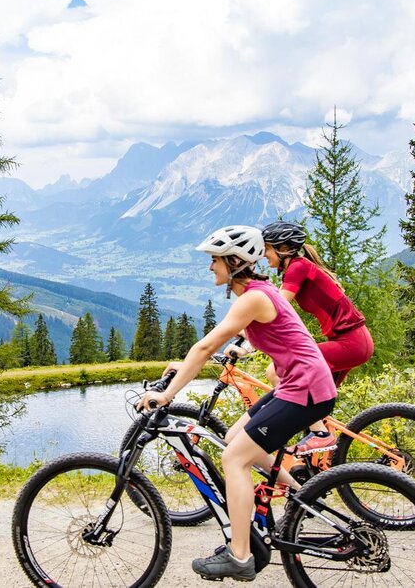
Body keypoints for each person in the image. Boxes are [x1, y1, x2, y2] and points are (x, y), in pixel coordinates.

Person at [137, 225, 336, 582]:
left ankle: (240, 556)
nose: (210, 267)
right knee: (234, 439)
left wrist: (167, 395)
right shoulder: (257, 294)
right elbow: (234, 340)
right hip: (299, 385)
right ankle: (303, 496)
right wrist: (183, 368)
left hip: (305, 390)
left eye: (214, 260)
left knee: (234, 458)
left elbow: (205, 347)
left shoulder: (254, 297)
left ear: (233, 261)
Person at [228, 221, 374, 455]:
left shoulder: (298, 267)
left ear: (282, 248)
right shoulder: (299, 267)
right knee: (306, 397)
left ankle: (321, 434)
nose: (264, 255)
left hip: (351, 342)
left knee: (276, 373)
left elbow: (277, 309)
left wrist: (245, 336)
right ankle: (319, 463)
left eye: (266, 249)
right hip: (350, 340)